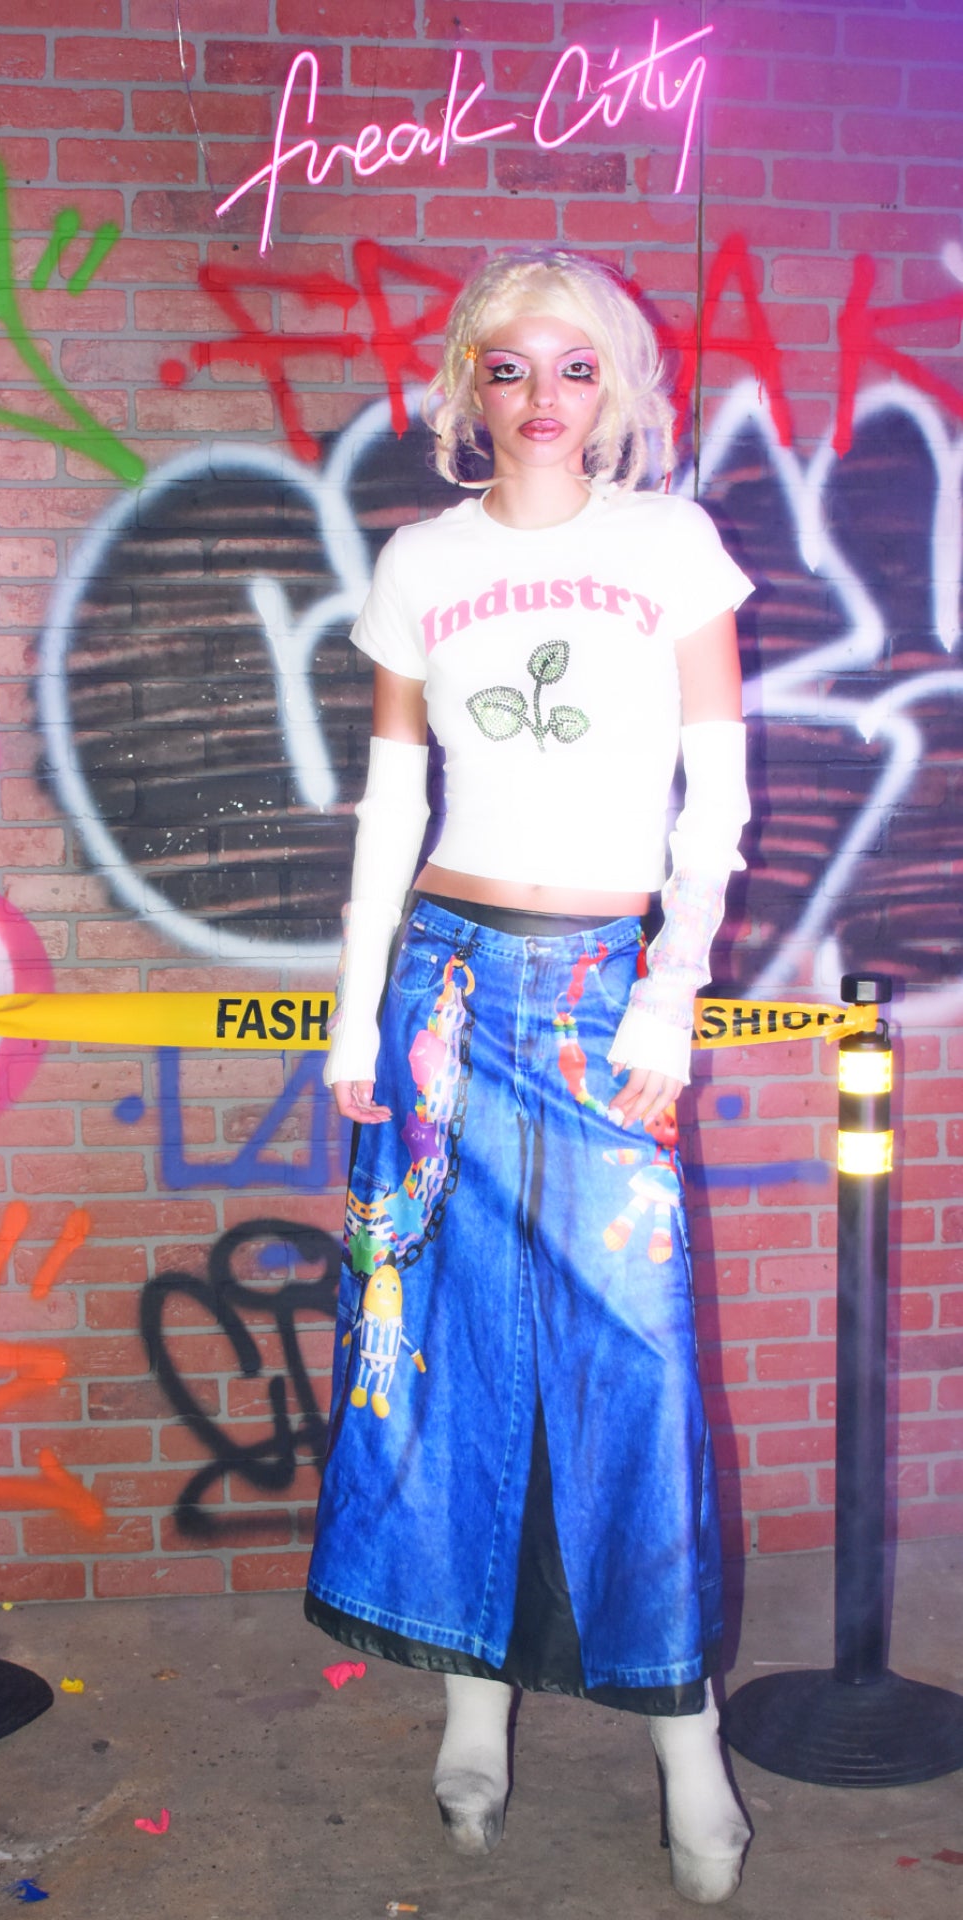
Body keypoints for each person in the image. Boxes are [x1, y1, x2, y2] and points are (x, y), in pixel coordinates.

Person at [305, 248, 754, 1904]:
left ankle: (685, 1735)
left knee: (631, 1356)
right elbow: (392, 806)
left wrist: (673, 994)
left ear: (615, 384)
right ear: (468, 388)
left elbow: (717, 798)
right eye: (510, 368)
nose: (543, 397)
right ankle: (470, 1710)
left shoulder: (668, 545)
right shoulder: (422, 560)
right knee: (432, 1342)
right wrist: (355, 1013)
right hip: (441, 987)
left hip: (599, 996)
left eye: (574, 367)